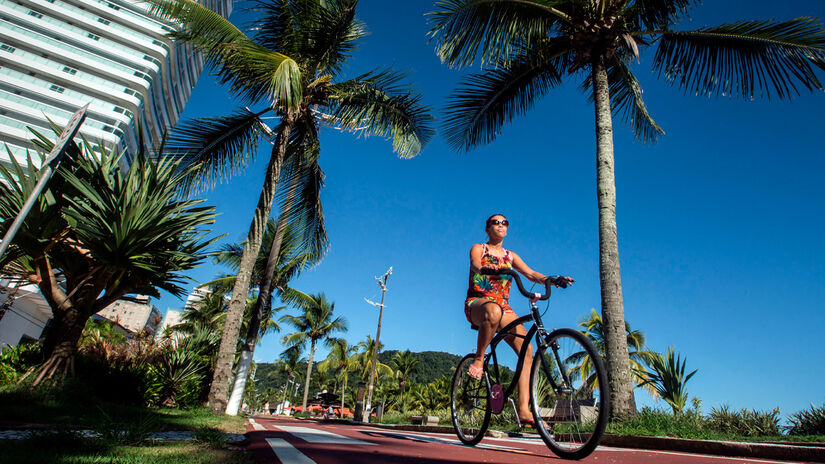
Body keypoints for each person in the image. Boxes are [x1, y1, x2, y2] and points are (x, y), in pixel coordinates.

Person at [464, 213, 573, 427]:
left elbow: (531, 274)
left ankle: (524, 410)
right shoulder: (479, 248)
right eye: (495, 222)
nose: (500, 225)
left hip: (503, 307)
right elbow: (475, 264)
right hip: (478, 302)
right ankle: (479, 358)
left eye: (504, 223)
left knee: (527, 350)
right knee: (493, 311)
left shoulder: (511, 256)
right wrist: (485, 268)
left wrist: (552, 280)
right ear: (487, 228)